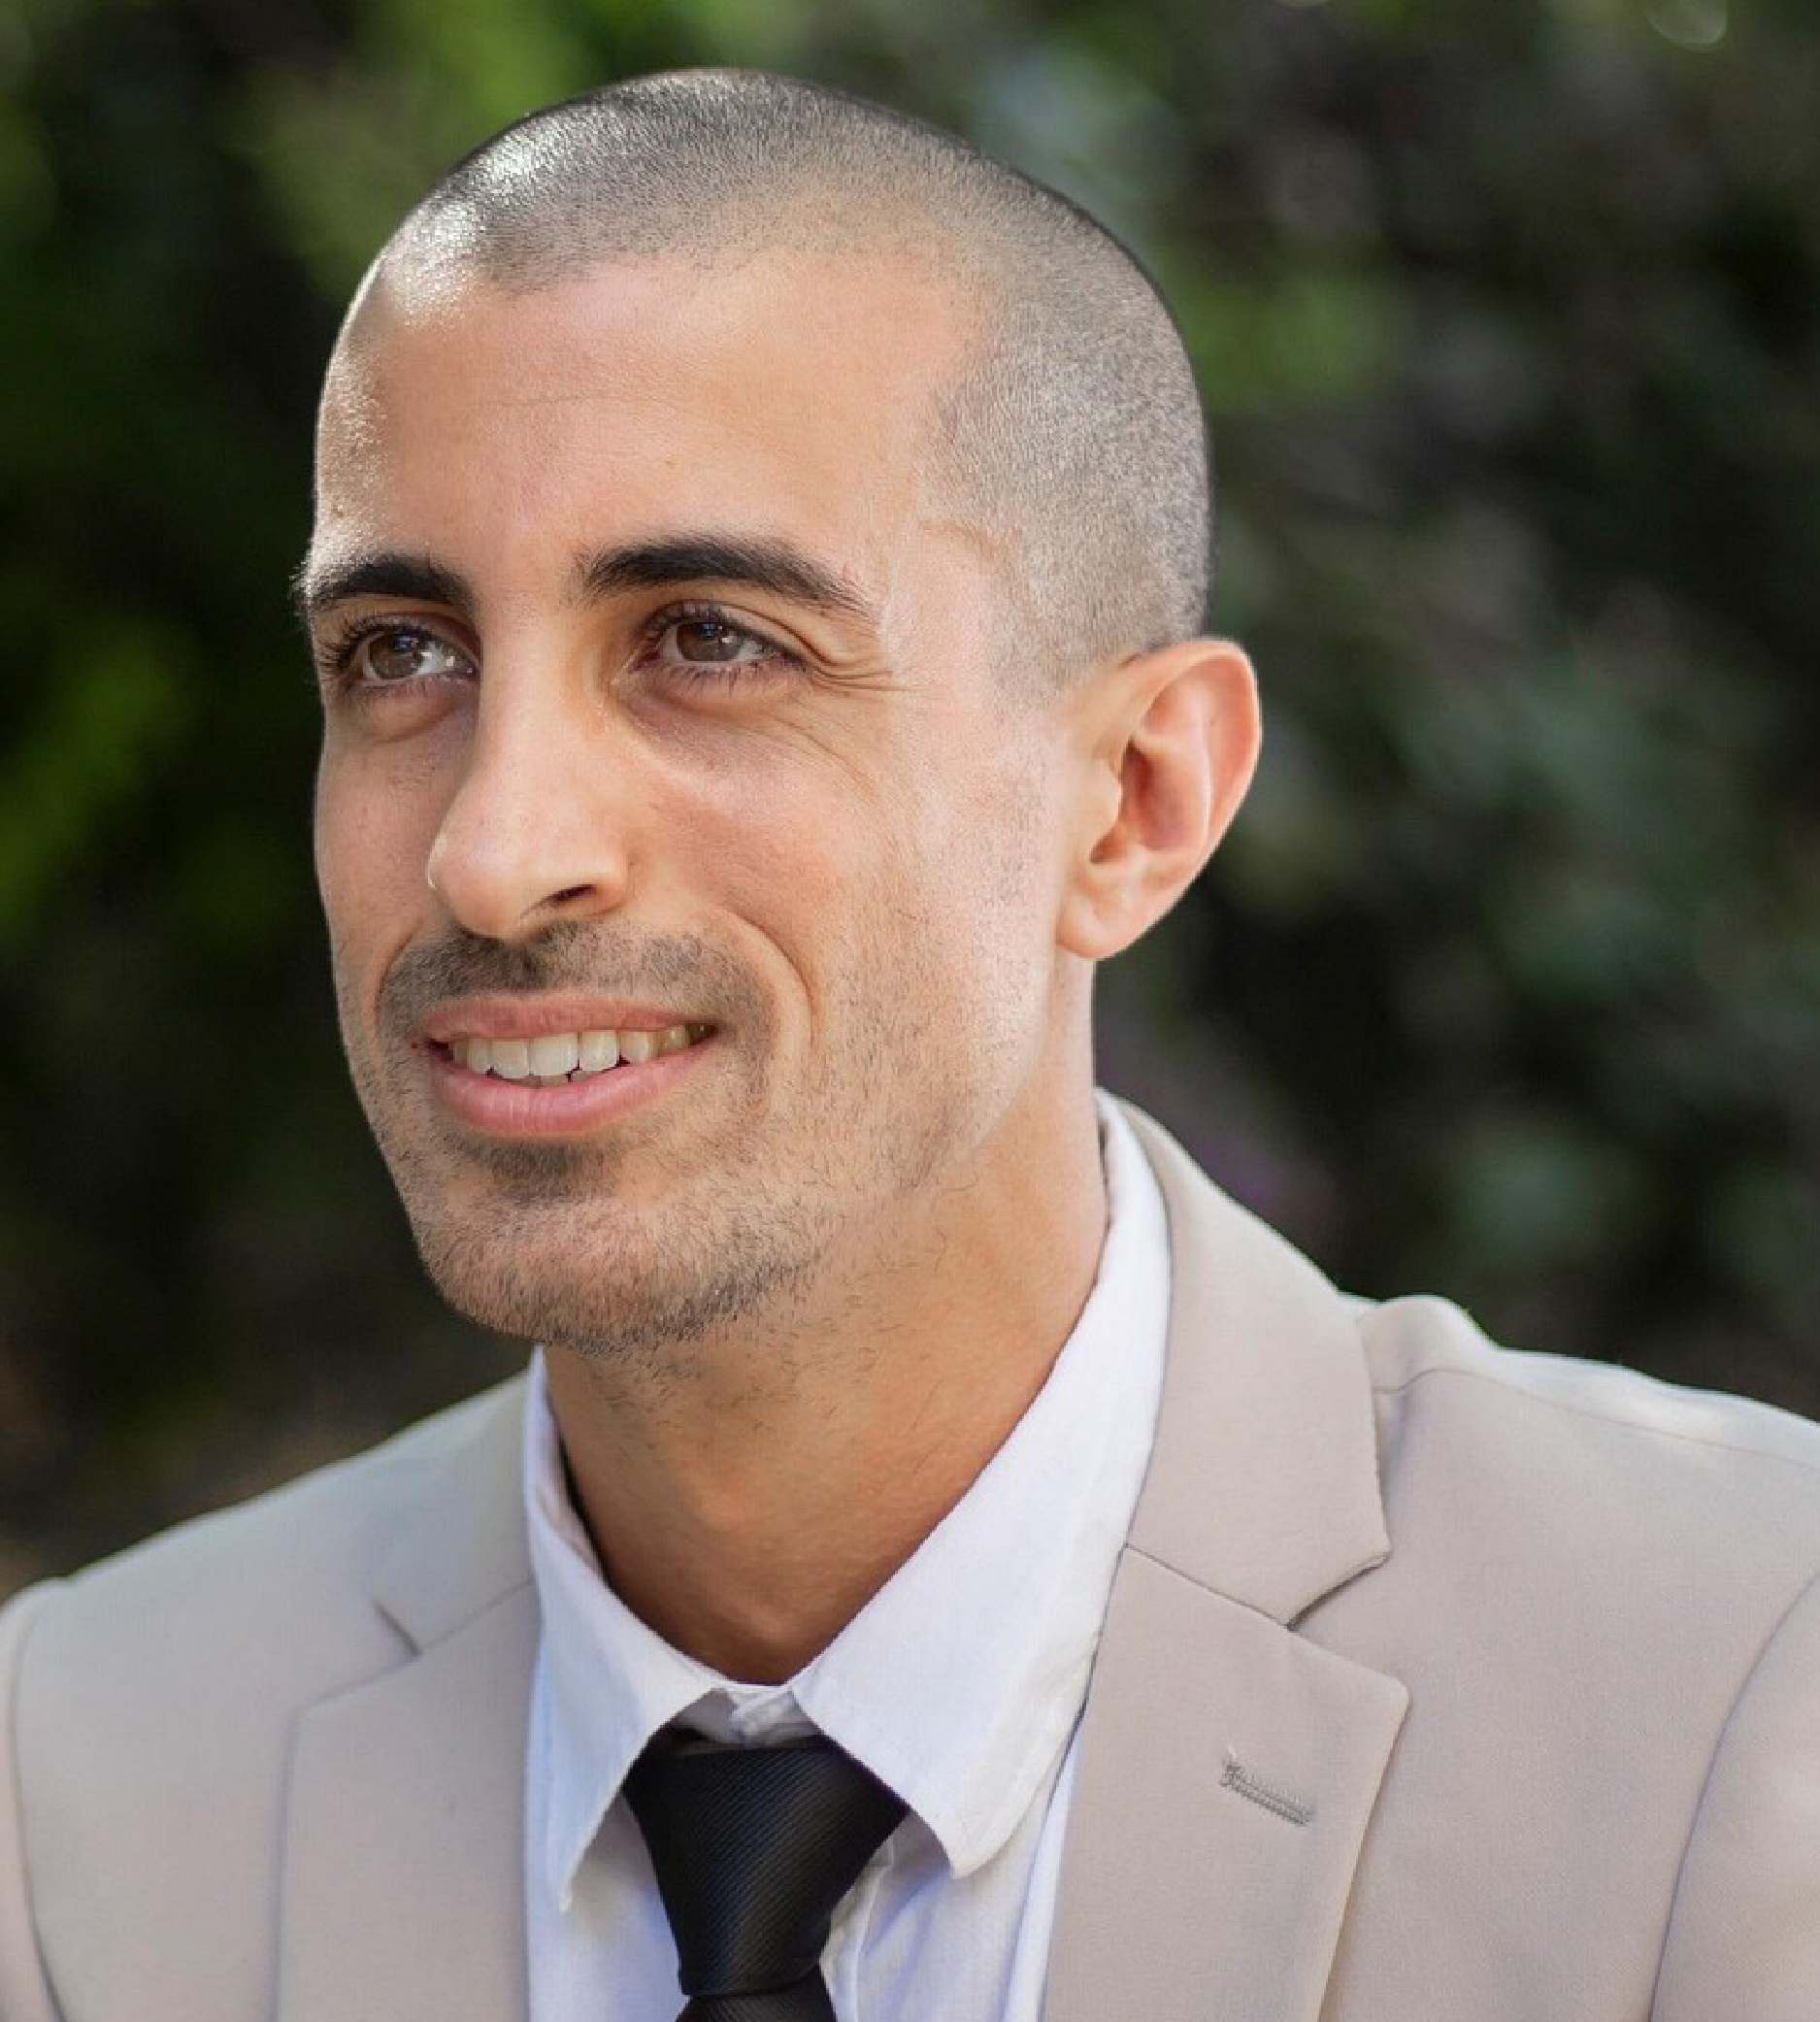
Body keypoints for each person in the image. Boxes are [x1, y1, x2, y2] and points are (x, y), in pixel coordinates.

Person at [2, 66, 1817, 2022]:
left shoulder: (1738, 1697)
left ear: (1131, 800)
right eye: (401, 655)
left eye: (707, 639)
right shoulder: (71, 1798)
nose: (493, 850)